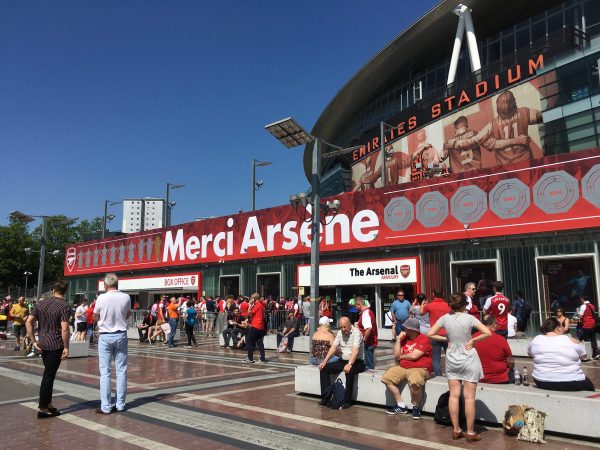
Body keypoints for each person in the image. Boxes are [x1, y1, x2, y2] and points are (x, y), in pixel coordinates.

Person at [428, 293, 491, 442]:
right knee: (469, 397)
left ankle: (456, 429)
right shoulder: (469, 318)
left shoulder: (445, 318)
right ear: (464, 305)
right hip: (468, 356)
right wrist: (473, 340)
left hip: (452, 356)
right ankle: (470, 432)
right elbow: (487, 332)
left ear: (450, 305)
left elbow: (430, 333)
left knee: (454, 395)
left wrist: (445, 338)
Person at [25, 280, 70, 418]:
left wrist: (33, 341)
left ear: (53, 290)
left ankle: (48, 403)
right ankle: (43, 407)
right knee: (48, 376)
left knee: (49, 374)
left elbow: (28, 322)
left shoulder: (41, 303)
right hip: (55, 343)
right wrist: (66, 346)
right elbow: (65, 328)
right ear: (65, 291)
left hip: (43, 342)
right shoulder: (65, 306)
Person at [93, 273, 131, 414]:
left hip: (106, 335)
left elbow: (95, 316)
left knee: (105, 372)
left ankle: (106, 406)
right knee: (121, 370)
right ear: (117, 284)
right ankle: (120, 404)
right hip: (121, 334)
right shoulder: (126, 297)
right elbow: (127, 314)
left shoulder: (101, 298)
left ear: (105, 285)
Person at [381, 318, 432, 419]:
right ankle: (401, 405)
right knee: (387, 377)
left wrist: (401, 356)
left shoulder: (424, 339)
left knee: (415, 381)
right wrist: (398, 340)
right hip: (403, 367)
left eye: (406, 328)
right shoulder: (404, 338)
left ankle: (415, 407)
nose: (403, 330)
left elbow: (414, 356)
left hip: (420, 367)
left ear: (413, 329)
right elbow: (396, 355)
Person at [528, 317, 594, 391]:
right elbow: (584, 356)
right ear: (558, 328)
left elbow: (530, 353)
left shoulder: (536, 339)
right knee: (590, 387)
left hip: (541, 380)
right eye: (562, 326)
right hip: (571, 381)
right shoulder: (569, 340)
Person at [318, 316, 365, 409]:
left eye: (345, 327)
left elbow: (355, 350)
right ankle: (325, 397)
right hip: (343, 360)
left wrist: (350, 364)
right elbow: (333, 348)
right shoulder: (340, 333)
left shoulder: (356, 333)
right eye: (341, 327)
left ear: (350, 325)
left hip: (357, 361)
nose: (343, 329)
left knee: (349, 372)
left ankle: (347, 401)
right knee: (324, 368)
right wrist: (324, 361)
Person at [473, 317, 514, 384]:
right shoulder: (501, 339)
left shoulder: (472, 338)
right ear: (494, 324)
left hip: (477, 377)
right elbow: (510, 361)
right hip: (499, 378)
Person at [421, 287, 451, 376]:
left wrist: (423, 304)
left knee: (435, 358)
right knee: (449, 356)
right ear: (443, 294)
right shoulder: (448, 305)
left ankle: (438, 376)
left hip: (434, 334)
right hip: (446, 334)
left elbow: (421, 312)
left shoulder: (429, 305)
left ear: (433, 294)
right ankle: (450, 375)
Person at [243, 293, 267, 363]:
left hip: (256, 326)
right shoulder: (260, 305)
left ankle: (250, 358)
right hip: (260, 326)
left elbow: (249, 313)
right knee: (260, 342)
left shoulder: (257, 305)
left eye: (251, 298)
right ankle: (262, 358)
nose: (250, 299)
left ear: (254, 299)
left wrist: (250, 305)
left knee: (249, 340)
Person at [355, 296, 378, 369]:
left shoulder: (365, 313)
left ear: (359, 305)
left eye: (355, 305)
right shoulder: (367, 312)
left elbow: (369, 328)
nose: (355, 308)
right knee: (368, 362)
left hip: (368, 343)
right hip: (370, 342)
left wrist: (364, 340)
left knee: (368, 365)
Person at [577, 295, 599, 359]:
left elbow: (580, 316)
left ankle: (587, 354)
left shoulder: (583, 306)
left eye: (580, 298)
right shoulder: (592, 305)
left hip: (587, 324)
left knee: (584, 339)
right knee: (593, 338)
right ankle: (596, 353)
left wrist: (578, 311)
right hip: (593, 324)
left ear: (582, 299)